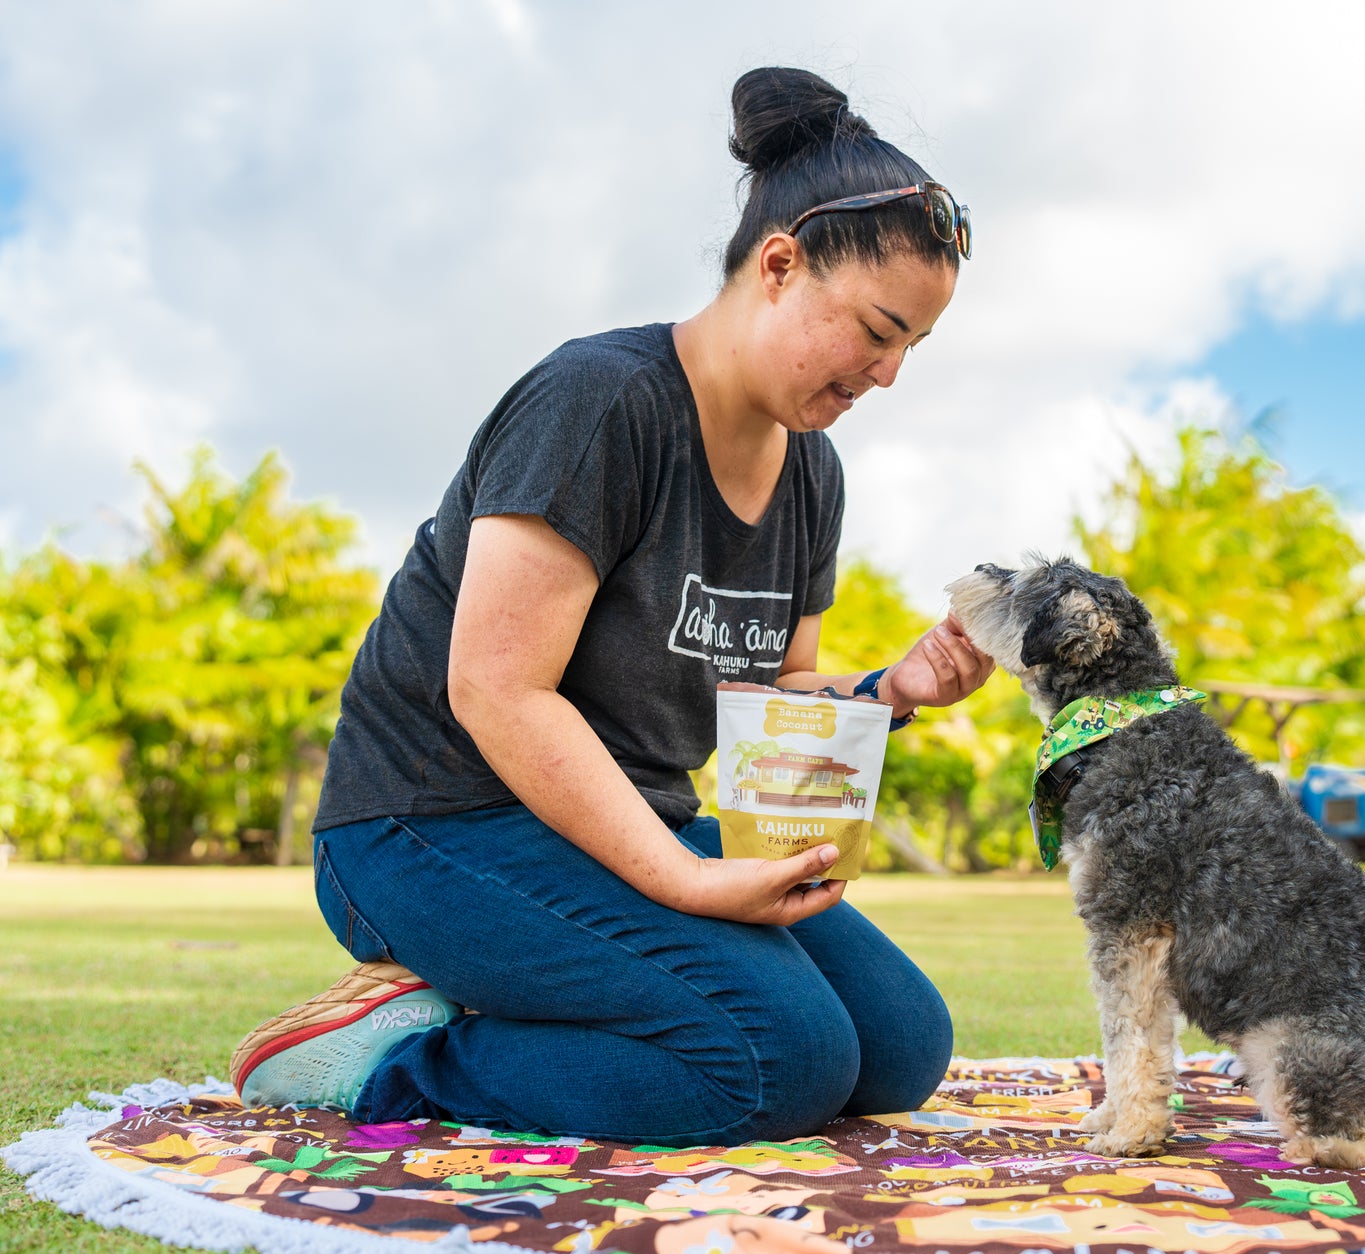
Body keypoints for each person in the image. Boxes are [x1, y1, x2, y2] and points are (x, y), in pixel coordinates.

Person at [228, 67, 994, 1144]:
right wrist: (682, 879)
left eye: (913, 342)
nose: (889, 371)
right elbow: (495, 689)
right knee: (777, 1059)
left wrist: (891, 690)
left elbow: (769, 701)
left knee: (901, 1046)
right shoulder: (599, 401)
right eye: (877, 328)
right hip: (427, 821)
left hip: (616, 825)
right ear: (778, 265)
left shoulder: (811, 473)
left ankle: (534, 989)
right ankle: (394, 1058)